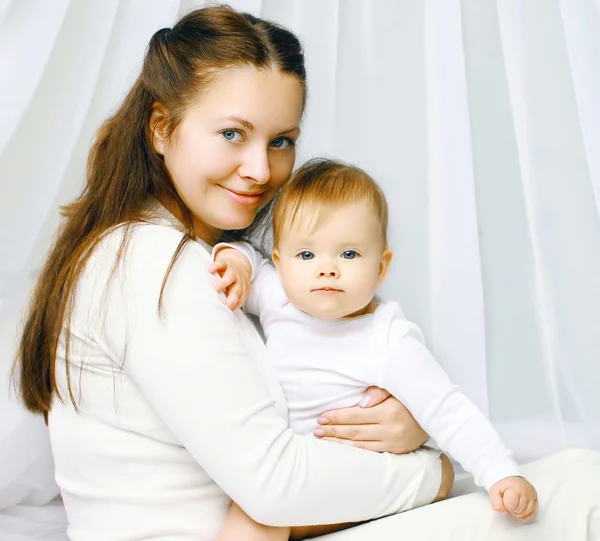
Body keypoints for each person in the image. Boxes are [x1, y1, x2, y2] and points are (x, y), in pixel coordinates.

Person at [10, 5, 600, 541]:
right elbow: (275, 484)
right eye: (232, 134)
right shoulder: (153, 262)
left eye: (282, 140)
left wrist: (404, 427)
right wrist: (434, 468)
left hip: (278, 526)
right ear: (162, 128)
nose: (260, 170)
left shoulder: (194, 258)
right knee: (583, 487)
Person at [210, 159, 537, 538]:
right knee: (258, 503)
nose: (327, 268)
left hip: (356, 469)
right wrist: (236, 261)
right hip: (291, 467)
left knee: (255, 516)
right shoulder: (278, 297)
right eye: (306, 255)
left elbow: (446, 408)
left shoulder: (386, 337)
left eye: (349, 254)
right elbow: (247, 257)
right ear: (281, 264)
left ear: (381, 268)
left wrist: (501, 472)